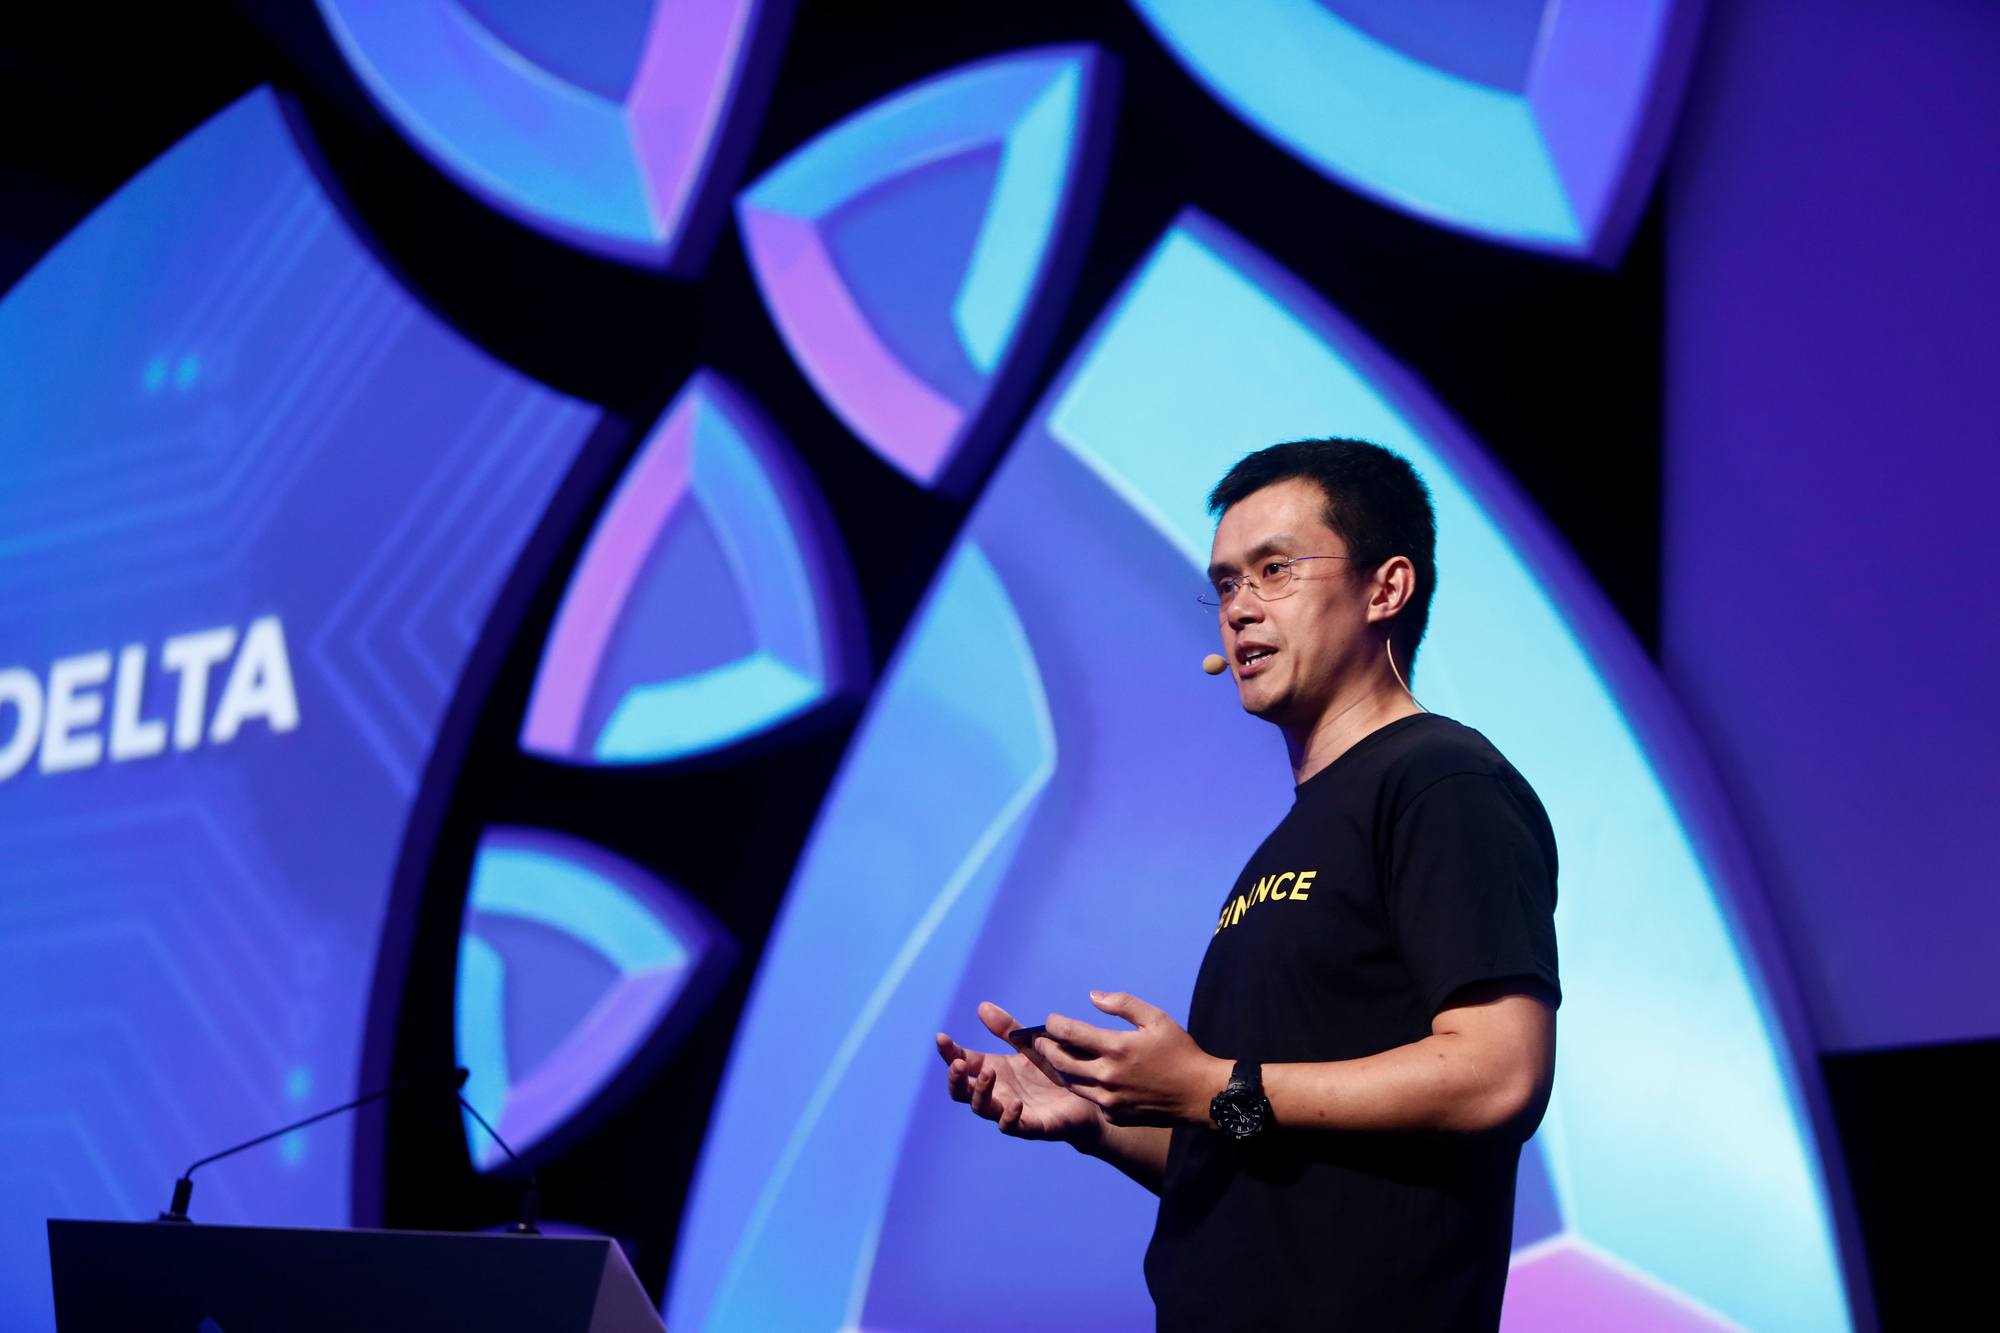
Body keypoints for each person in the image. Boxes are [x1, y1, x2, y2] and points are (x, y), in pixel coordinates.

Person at [934, 439, 1561, 1330]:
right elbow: (1263, 1139)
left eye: (1275, 570)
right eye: (1226, 583)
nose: (1239, 608)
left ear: (1386, 588)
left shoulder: (1441, 781)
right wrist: (1103, 1118)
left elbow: (1500, 1073)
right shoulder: (1298, 832)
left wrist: (1207, 1084)